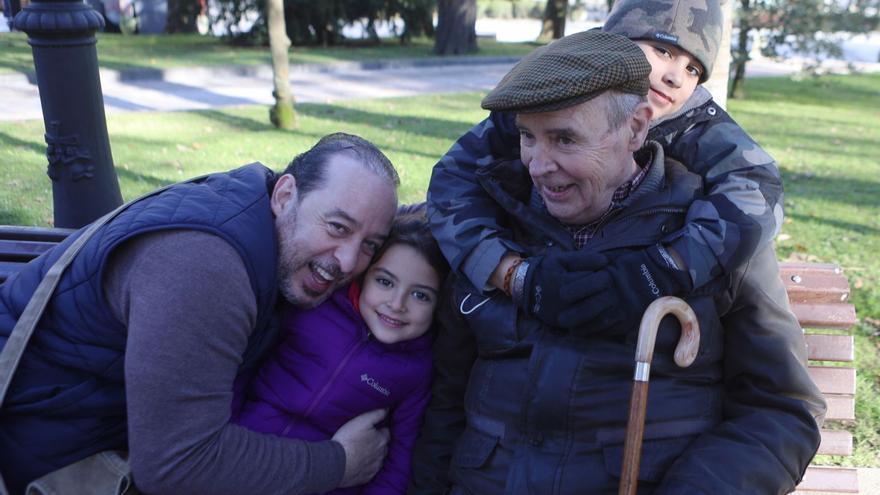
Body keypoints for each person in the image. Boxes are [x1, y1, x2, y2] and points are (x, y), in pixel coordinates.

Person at [407, 30, 825, 494]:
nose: (538, 166)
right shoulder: (496, 223)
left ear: (635, 128)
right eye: (527, 136)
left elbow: (781, 412)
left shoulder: (713, 236)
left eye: (565, 139)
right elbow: (444, 402)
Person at [0, 133, 400, 494]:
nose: (350, 261)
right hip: (43, 458)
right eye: (337, 227)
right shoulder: (206, 270)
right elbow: (178, 464)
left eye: (371, 245)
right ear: (284, 195)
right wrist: (340, 463)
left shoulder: (254, 211)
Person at [427, 0, 785, 334]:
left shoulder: (697, 124)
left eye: (692, 68)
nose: (676, 76)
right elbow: (453, 179)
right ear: (616, 43)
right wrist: (508, 271)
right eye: (662, 50)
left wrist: (665, 267)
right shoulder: (550, 96)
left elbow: (757, 190)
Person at [233, 203, 449, 494]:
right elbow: (246, 365)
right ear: (364, 275)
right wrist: (227, 428)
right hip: (249, 453)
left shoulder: (417, 369)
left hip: (330, 482)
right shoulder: (315, 307)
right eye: (385, 282)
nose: (397, 304)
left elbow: (401, 457)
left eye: (420, 295)